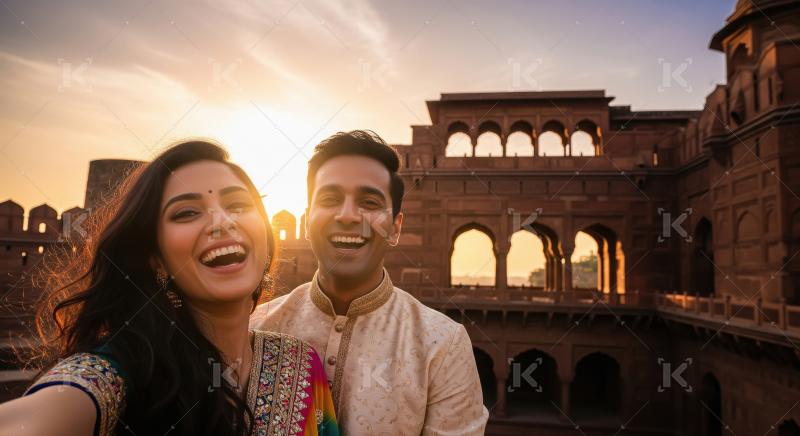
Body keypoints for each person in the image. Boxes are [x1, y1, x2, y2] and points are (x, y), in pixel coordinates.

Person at [0, 141, 338, 436]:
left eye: (237, 205)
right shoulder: (120, 374)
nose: (222, 221)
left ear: (266, 233)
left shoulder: (302, 365)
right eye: (187, 212)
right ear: (155, 259)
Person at [250, 130, 489, 435]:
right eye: (330, 198)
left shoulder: (441, 346)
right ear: (308, 219)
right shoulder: (255, 329)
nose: (349, 215)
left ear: (395, 227)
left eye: (369, 202)